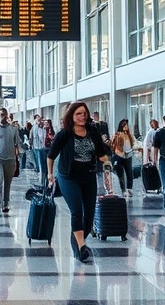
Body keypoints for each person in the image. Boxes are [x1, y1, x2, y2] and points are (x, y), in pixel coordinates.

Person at [46, 101, 112, 263]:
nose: (82, 116)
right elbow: (51, 156)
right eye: (78, 114)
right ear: (72, 116)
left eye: (84, 113)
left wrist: (107, 166)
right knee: (77, 211)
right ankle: (82, 246)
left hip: (88, 176)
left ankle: (77, 244)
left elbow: (101, 154)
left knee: (88, 218)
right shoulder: (65, 134)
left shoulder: (93, 132)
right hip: (68, 177)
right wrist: (50, 175)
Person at [111, 119, 135, 197]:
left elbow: (132, 143)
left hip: (128, 155)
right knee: (120, 173)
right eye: (124, 125)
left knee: (129, 173)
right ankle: (123, 189)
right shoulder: (118, 135)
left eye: (126, 125)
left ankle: (129, 189)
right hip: (120, 155)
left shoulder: (129, 135)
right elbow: (113, 144)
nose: (126, 127)